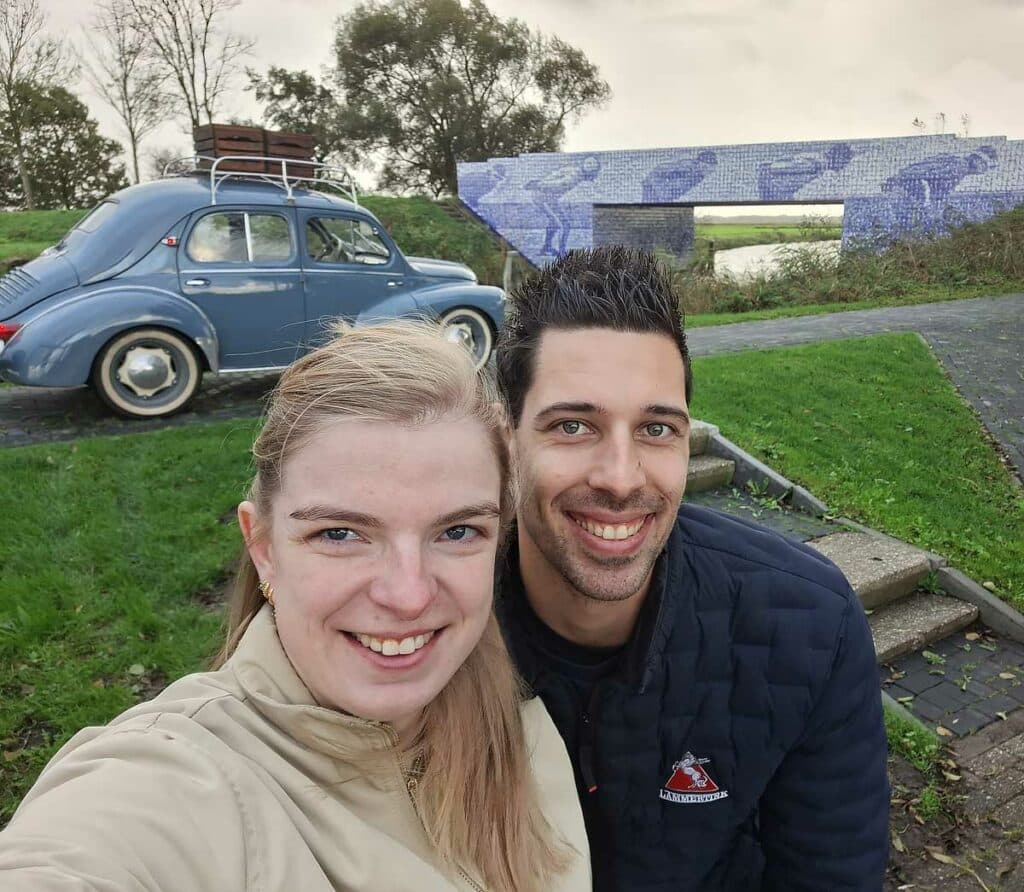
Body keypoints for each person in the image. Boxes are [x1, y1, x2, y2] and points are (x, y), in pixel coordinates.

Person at [0, 322, 590, 892]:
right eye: (340, 534)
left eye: (457, 532)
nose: (408, 595)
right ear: (262, 549)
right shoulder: (174, 781)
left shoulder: (525, 723)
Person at [494, 246, 890, 891]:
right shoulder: (430, 618)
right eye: (572, 426)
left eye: (656, 430)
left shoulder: (809, 624)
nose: (622, 479)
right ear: (506, 440)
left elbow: (830, 872)